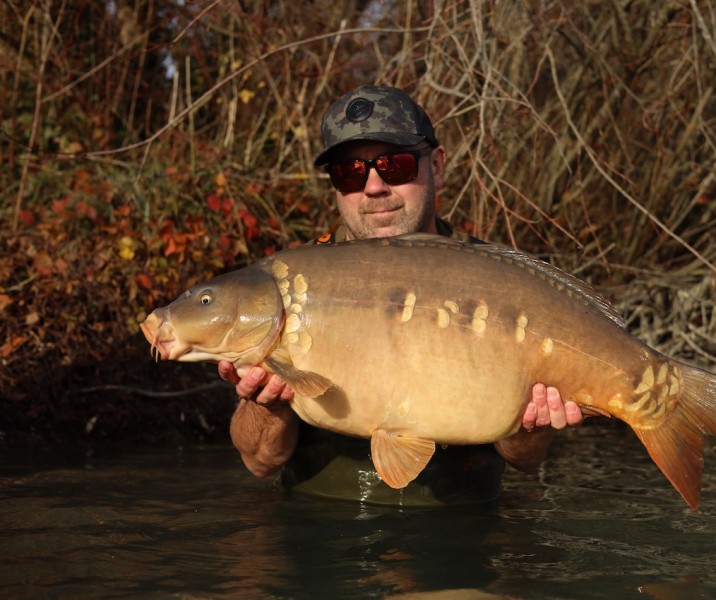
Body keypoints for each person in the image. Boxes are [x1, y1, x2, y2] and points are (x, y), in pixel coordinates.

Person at [219, 85, 582, 505]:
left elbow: (525, 460)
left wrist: (532, 427)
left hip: (461, 534)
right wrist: (268, 404)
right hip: (322, 531)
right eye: (350, 172)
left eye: (395, 165)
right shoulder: (293, 284)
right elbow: (259, 462)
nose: (374, 186)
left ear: (437, 165)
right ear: (336, 186)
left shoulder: (497, 279)